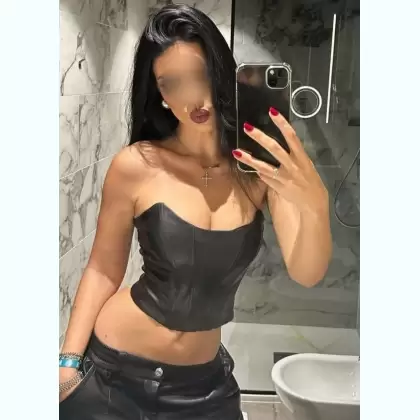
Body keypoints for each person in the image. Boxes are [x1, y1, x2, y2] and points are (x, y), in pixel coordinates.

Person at [59, 4, 332, 420]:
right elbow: (102, 269)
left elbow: (306, 272)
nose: (192, 97)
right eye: (172, 83)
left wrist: (316, 203)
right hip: (113, 376)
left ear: (222, 72)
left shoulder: (257, 169)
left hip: (203, 388)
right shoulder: (137, 165)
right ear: (159, 93)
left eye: (201, 74)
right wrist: (67, 365)